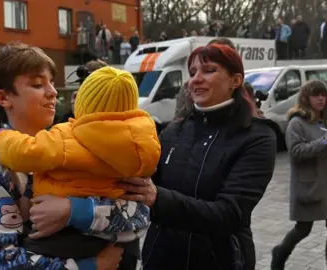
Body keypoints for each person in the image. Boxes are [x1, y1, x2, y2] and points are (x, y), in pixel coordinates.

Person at [0, 42, 151, 269]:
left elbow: (141, 213)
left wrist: (73, 211)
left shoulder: (83, 141)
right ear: (3, 97)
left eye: (52, 83)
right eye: (37, 84)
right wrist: (89, 266)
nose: (53, 92)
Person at [118, 44, 277, 269]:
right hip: (162, 257)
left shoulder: (257, 137)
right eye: (192, 73)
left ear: (235, 80)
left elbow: (230, 213)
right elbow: (142, 186)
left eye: (209, 70)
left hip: (220, 260)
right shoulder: (174, 131)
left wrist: (157, 198)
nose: (196, 79)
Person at [270, 80, 327, 269]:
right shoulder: (297, 122)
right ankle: (280, 253)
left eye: (324, 95)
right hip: (309, 186)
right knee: (303, 229)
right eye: (316, 94)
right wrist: (324, 142)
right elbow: (296, 152)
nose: (321, 98)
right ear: (305, 97)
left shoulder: (324, 119)